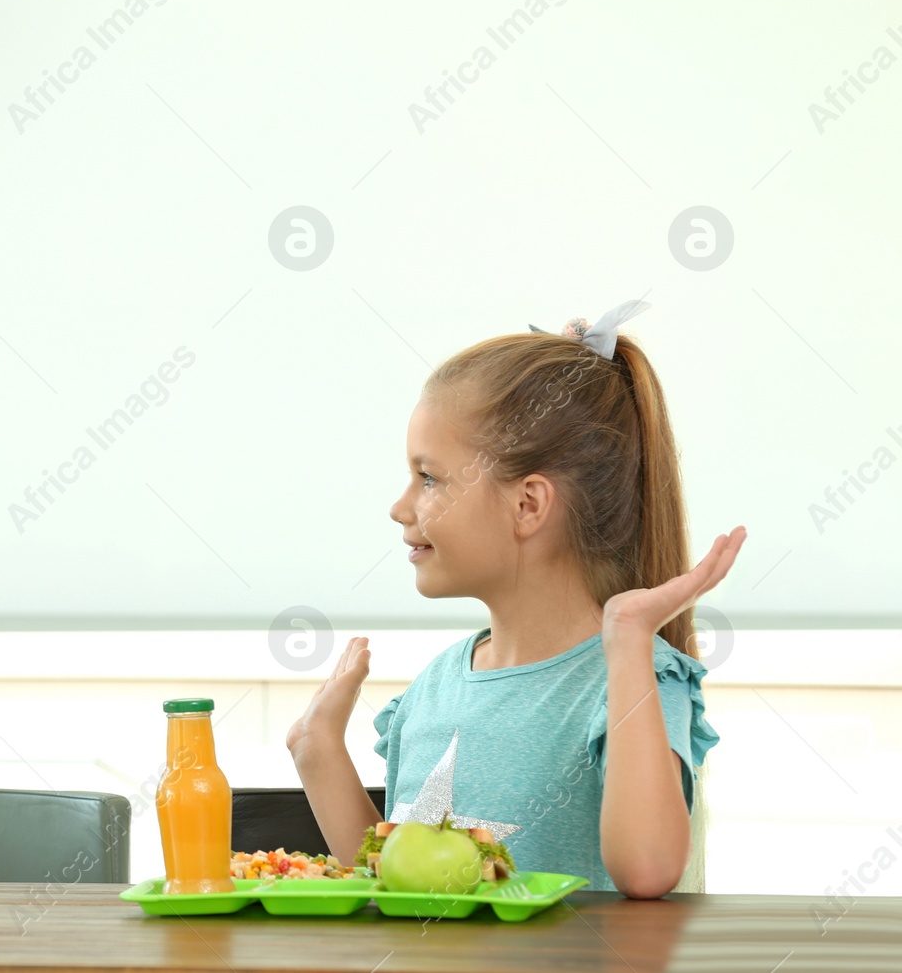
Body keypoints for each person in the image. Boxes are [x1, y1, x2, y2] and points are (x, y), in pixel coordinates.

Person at [288, 300, 741, 898]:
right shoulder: (433, 688)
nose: (401, 508)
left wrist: (630, 641)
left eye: (428, 478)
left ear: (527, 505)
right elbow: (402, 889)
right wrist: (318, 752)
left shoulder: (637, 678)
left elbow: (649, 870)